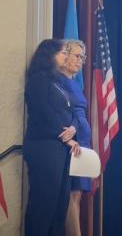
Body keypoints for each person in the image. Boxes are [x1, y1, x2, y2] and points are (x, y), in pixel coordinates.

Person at [23, 39, 81, 236]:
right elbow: (44, 113)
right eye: (62, 53)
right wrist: (66, 137)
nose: (66, 56)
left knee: (60, 203)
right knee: (44, 203)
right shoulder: (38, 80)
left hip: (60, 149)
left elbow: (71, 110)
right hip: (44, 147)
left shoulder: (58, 82)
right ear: (49, 55)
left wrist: (73, 128)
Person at [58, 40, 91, 236]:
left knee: (78, 195)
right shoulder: (58, 81)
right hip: (72, 144)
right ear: (65, 55)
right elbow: (64, 112)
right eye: (77, 56)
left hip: (83, 143)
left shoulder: (74, 83)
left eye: (83, 57)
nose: (81, 60)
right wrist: (73, 129)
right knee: (72, 195)